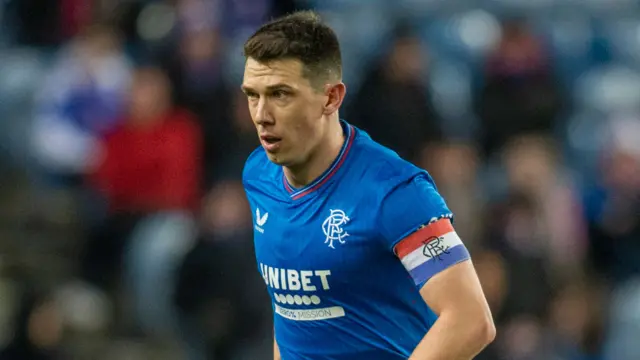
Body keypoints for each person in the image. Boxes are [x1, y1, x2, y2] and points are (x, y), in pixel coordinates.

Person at [241, 11, 495, 360]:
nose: (261, 114)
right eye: (252, 95)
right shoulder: (258, 174)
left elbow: (470, 321)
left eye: (280, 94)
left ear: (331, 98)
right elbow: (290, 313)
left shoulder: (395, 192)